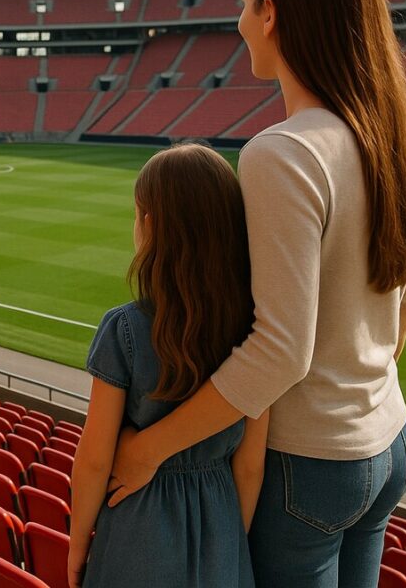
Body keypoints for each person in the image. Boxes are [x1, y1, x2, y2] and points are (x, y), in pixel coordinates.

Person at [107, 0, 406, 588]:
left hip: (307, 466)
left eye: (243, 2)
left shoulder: (282, 153)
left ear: (273, 12)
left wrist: (149, 450)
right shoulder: (396, 142)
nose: (237, 23)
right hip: (388, 440)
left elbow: (282, 352)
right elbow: (403, 312)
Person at [66, 144, 268, 588]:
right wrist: (232, 540)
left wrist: (78, 546)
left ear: (151, 224)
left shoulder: (124, 328)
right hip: (220, 523)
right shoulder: (256, 332)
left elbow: (95, 460)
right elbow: (250, 465)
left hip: (135, 524)